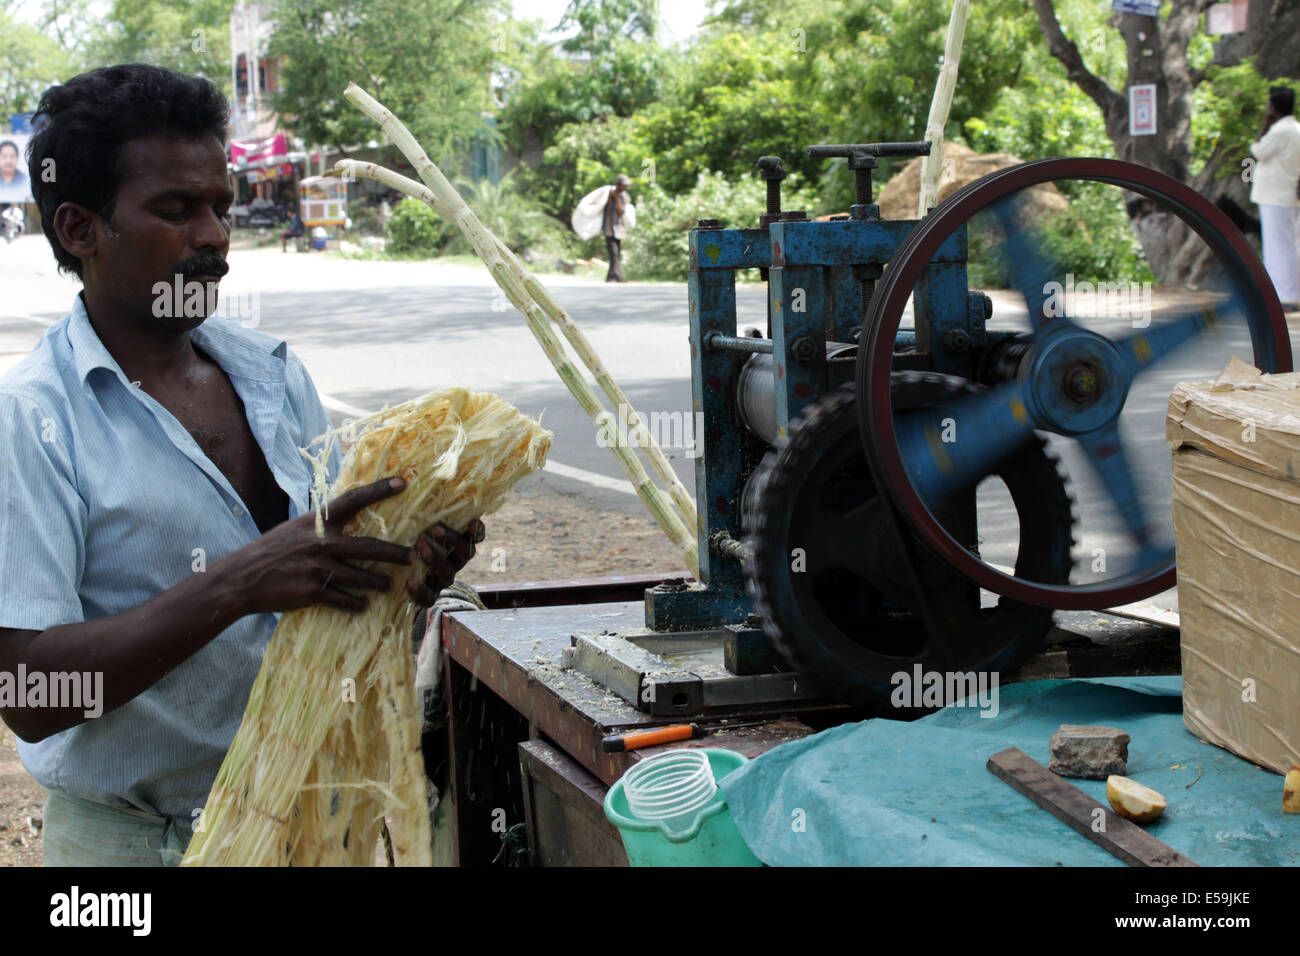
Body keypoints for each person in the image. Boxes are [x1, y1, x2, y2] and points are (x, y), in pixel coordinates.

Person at [0, 63, 485, 866]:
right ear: (80, 229)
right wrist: (238, 581)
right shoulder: (34, 418)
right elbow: (34, 697)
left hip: (308, 823)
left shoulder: (272, 375)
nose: (216, 237)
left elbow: (322, 590)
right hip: (137, 851)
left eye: (220, 207)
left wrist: (405, 571)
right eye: (175, 209)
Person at [1249, 86, 1300, 309]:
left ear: (1274, 108)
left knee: (1278, 247)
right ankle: (1290, 293)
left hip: (1275, 197)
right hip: (1287, 193)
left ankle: (1285, 296)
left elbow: (1257, 151)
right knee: (1289, 244)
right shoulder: (1296, 129)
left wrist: (1265, 124)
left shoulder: (1279, 131)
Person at [603, 173, 632, 283]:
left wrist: (616, 198)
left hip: (619, 229)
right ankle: (616, 275)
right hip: (609, 229)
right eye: (623, 185)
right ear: (618, 184)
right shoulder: (609, 194)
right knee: (613, 252)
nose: (625, 187)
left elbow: (620, 211)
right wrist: (612, 197)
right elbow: (605, 207)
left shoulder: (625, 197)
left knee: (616, 253)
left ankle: (612, 276)